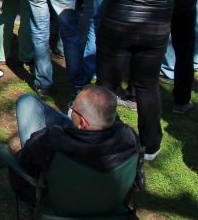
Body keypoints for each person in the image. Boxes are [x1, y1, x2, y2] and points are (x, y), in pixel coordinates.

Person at [96, 0, 183, 161]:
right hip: (155, 27)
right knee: (147, 85)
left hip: (119, 24)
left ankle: (101, 134)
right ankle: (151, 143)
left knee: (108, 82)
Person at [10, 85, 141, 204]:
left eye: (72, 108)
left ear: (83, 123)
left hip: (58, 205)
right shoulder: (129, 138)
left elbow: (22, 165)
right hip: (110, 204)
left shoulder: (52, 139)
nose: (71, 109)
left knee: (27, 102)